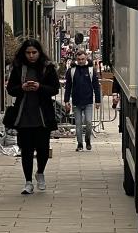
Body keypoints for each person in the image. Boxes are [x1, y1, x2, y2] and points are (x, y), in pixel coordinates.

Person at [6, 39, 60, 194]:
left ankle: (40, 172)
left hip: (42, 115)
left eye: (34, 52)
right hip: (24, 116)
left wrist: (39, 87)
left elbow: (55, 88)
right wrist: (22, 88)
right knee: (26, 150)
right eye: (28, 53)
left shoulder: (47, 68)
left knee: (43, 149)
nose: (31, 56)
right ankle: (28, 181)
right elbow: (11, 89)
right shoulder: (18, 68)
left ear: (39, 53)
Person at [64, 50, 101, 151]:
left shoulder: (91, 70)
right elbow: (68, 87)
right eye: (79, 59)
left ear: (86, 58)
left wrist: (98, 100)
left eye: (83, 59)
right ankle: (80, 143)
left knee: (89, 122)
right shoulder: (71, 71)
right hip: (76, 101)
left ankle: (88, 139)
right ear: (76, 59)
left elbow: (96, 86)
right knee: (78, 124)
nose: (81, 61)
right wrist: (66, 101)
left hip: (88, 101)